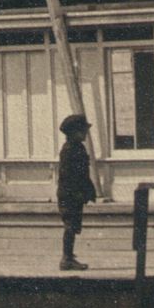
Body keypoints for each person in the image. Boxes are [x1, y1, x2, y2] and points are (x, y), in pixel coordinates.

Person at [55, 113, 97, 270]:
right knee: (70, 225)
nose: (85, 133)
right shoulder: (69, 150)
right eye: (82, 130)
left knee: (74, 224)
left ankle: (69, 256)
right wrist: (78, 192)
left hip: (74, 194)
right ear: (74, 133)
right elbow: (69, 176)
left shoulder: (77, 147)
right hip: (69, 194)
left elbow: (83, 174)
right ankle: (66, 259)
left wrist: (87, 190)